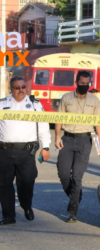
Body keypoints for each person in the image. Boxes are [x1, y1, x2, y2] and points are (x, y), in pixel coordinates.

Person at [0, 76, 51, 225]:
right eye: (17, 87)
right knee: (4, 185)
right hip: (4, 151)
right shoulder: (2, 104)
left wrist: (45, 147)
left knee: (27, 181)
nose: (21, 90)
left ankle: (26, 206)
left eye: (23, 87)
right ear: (11, 89)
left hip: (26, 151)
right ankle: (9, 216)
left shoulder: (34, 104)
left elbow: (43, 126)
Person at [55, 71, 100, 223]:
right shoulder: (66, 98)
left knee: (77, 176)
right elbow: (58, 119)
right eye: (82, 84)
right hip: (67, 139)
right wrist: (57, 136)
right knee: (63, 173)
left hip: (85, 140)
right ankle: (76, 194)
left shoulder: (94, 100)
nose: (85, 86)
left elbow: (98, 123)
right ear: (76, 82)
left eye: (87, 84)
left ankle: (73, 209)